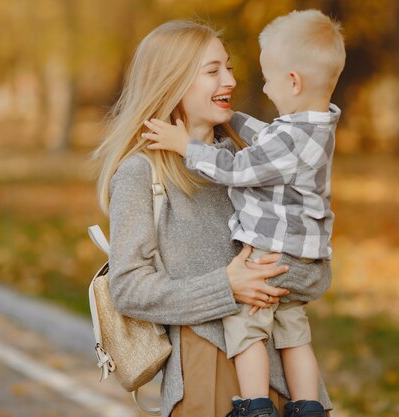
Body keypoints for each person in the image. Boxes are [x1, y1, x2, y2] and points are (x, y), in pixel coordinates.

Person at [93, 20, 333, 417]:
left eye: (229, 67)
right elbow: (129, 289)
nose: (230, 80)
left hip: (292, 383)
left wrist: (273, 276)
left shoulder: (259, 159)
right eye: (212, 71)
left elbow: (318, 273)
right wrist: (227, 286)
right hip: (208, 372)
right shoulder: (142, 173)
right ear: (172, 83)